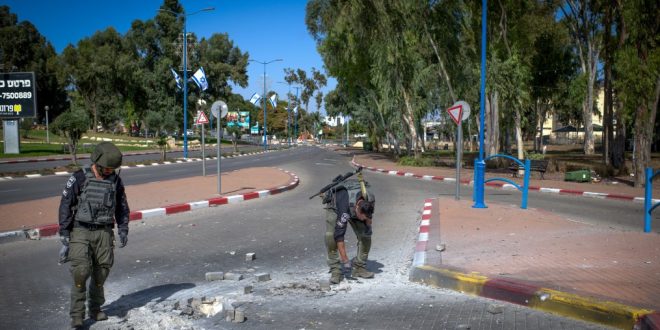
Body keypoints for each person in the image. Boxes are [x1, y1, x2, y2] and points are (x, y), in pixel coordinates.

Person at [58, 142, 130, 329]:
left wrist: (123, 228)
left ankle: (95, 308)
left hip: (104, 231)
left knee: (101, 272)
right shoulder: (79, 178)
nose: (109, 172)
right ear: (97, 163)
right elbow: (66, 204)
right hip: (80, 230)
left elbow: (121, 207)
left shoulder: (115, 181)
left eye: (112, 169)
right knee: (81, 272)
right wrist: (65, 233)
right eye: (106, 168)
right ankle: (77, 314)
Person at [322, 176, 376, 284]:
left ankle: (359, 267)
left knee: (366, 235)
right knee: (331, 237)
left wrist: (367, 224)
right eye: (362, 217)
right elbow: (339, 236)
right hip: (336, 207)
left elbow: (368, 217)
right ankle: (336, 270)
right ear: (357, 210)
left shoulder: (369, 200)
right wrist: (345, 259)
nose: (363, 219)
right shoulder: (344, 211)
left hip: (355, 205)